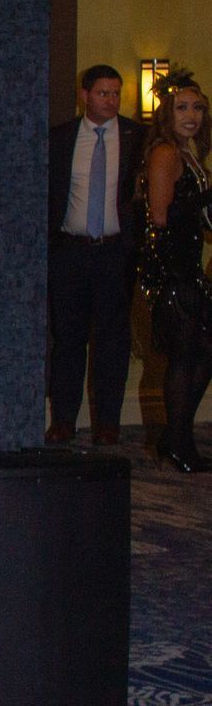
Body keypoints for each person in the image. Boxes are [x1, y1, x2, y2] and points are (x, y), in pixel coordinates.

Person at [48, 64, 144, 446]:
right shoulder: (62, 138)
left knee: (112, 341)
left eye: (116, 93)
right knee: (68, 339)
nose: (111, 100)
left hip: (114, 253)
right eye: (103, 93)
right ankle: (64, 420)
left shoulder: (138, 137)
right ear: (85, 95)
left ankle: (107, 422)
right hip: (70, 252)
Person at [136, 71, 212, 471]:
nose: (192, 115)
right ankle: (179, 442)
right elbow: (160, 217)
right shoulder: (166, 153)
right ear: (167, 113)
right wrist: (204, 198)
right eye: (182, 107)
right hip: (171, 271)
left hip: (186, 269)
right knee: (187, 356)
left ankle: (176, 437)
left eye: (198, 107)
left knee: (200, 354)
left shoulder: (189, 154)